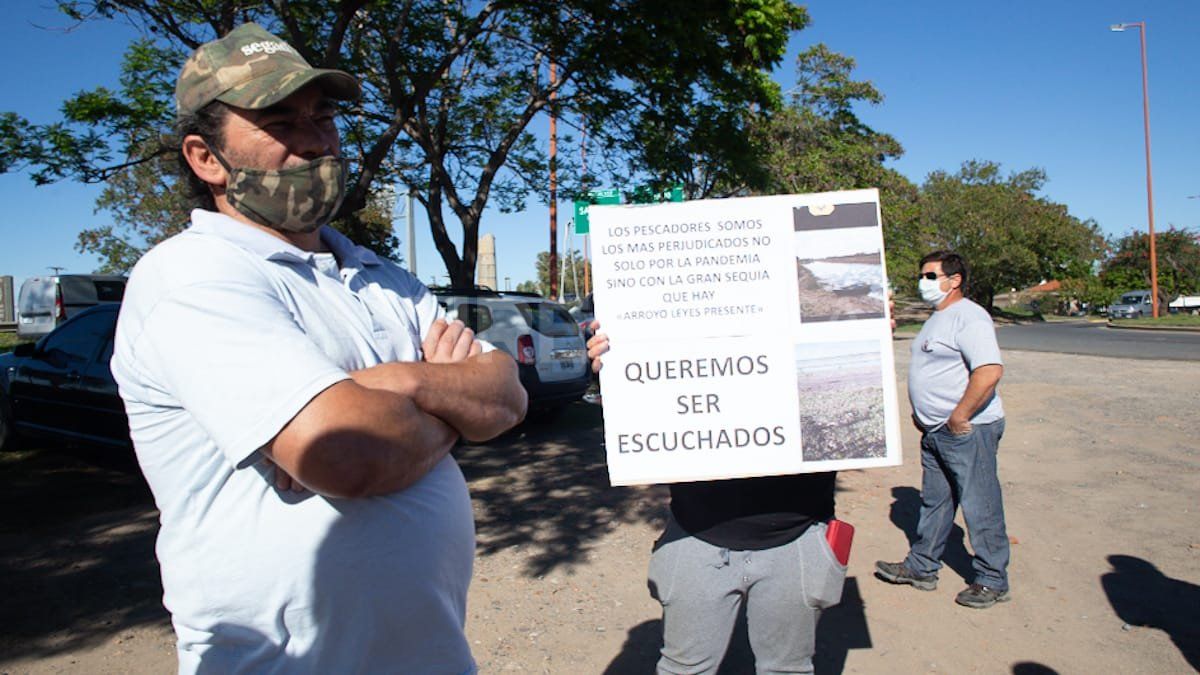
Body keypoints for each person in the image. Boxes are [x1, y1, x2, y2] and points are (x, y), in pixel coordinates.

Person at [111, 23, 527, 672]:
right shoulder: (190, 276)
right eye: (280, 120)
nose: (316, 138)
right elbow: (348, 454)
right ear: (205, 157)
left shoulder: (381, 274)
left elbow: (506, 392)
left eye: (323, 113)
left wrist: (397, 385)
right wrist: (448, 401)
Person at [586, 329, 843, 674]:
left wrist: (866, 326)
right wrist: (617, 366)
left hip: (798, 532)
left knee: (787, 669)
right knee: (684, 669)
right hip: (697, 531)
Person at [874, 250, 1010, 609]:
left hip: (967, 430)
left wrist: (960, 416)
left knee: (980, 504)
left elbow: (989, 371)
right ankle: (922, 567)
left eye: (930, 276)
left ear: (954, 280)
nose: (923, 282)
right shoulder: (938, 318)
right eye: (922, 275)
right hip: (935, 431)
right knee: (935, 502)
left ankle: (992, 579)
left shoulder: (969, 316)